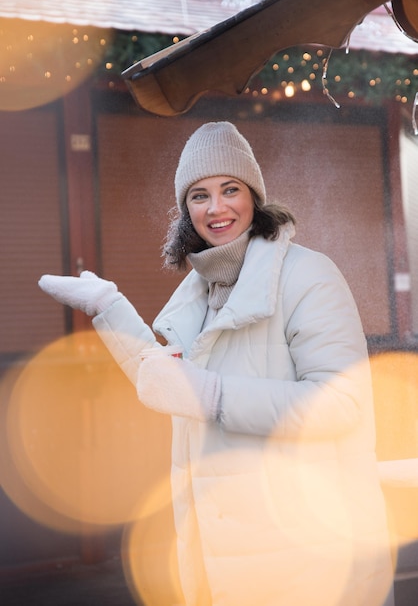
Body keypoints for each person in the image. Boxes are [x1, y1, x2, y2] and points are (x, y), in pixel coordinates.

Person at [39, 121, 394, 606]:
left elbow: (341, 404)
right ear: (187, 210)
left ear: (254, 196)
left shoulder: (308, 276)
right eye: (199, 195)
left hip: (307, 555)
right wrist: (108, 307)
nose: (217, 207)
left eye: (231, 189)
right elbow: (168, 381)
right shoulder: (201, 290)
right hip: (219, 550)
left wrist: (214, 395)